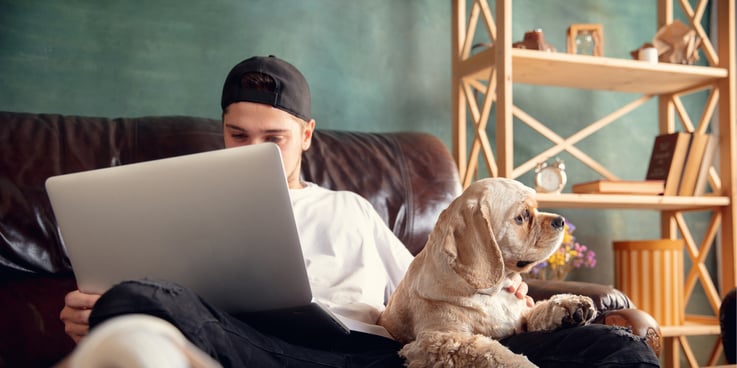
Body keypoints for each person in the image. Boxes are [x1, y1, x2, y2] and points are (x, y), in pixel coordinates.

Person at [60, 55, 659, 367]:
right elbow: (171, 308)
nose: (251, 150)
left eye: (273, 138)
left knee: (617, 349)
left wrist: (500, 294)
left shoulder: (349, 207)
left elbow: (428, 290)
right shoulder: (186, 210)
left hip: (375, 351)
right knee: (138, 300)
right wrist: (104, 306)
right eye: (236, 135)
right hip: (258, 349)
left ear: (308, 135)